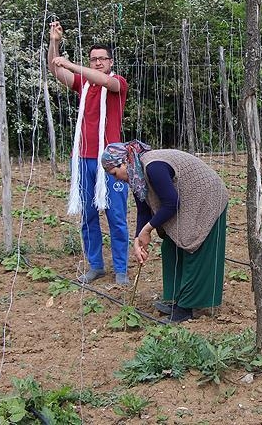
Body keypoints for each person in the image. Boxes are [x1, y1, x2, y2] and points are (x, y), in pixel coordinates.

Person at [102, 141, 229, 324]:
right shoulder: (137, 176)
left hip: (207, 197)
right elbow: (144, 209)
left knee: (193, 245)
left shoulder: (153, 167)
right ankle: (177, 299)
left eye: (114, 173)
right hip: (188, 198)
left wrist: (148, 229)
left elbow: (171, 203)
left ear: (124, 162)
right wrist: (138, 239)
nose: (116, 179)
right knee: (171, 245)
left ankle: (186, 308)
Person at [48, 20, 130, 285]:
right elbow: (56, 71)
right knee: (88, 215)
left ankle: (121, 269)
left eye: (101, 59)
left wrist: (71, 64)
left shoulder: (117, 82)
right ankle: (96, 265)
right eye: (93, 59)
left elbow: (104, 80)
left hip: (111, 160)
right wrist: (54, 43)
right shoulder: (83, 86)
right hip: (83, 157)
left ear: (110, 62)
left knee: (116, 215)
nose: (97, 63)